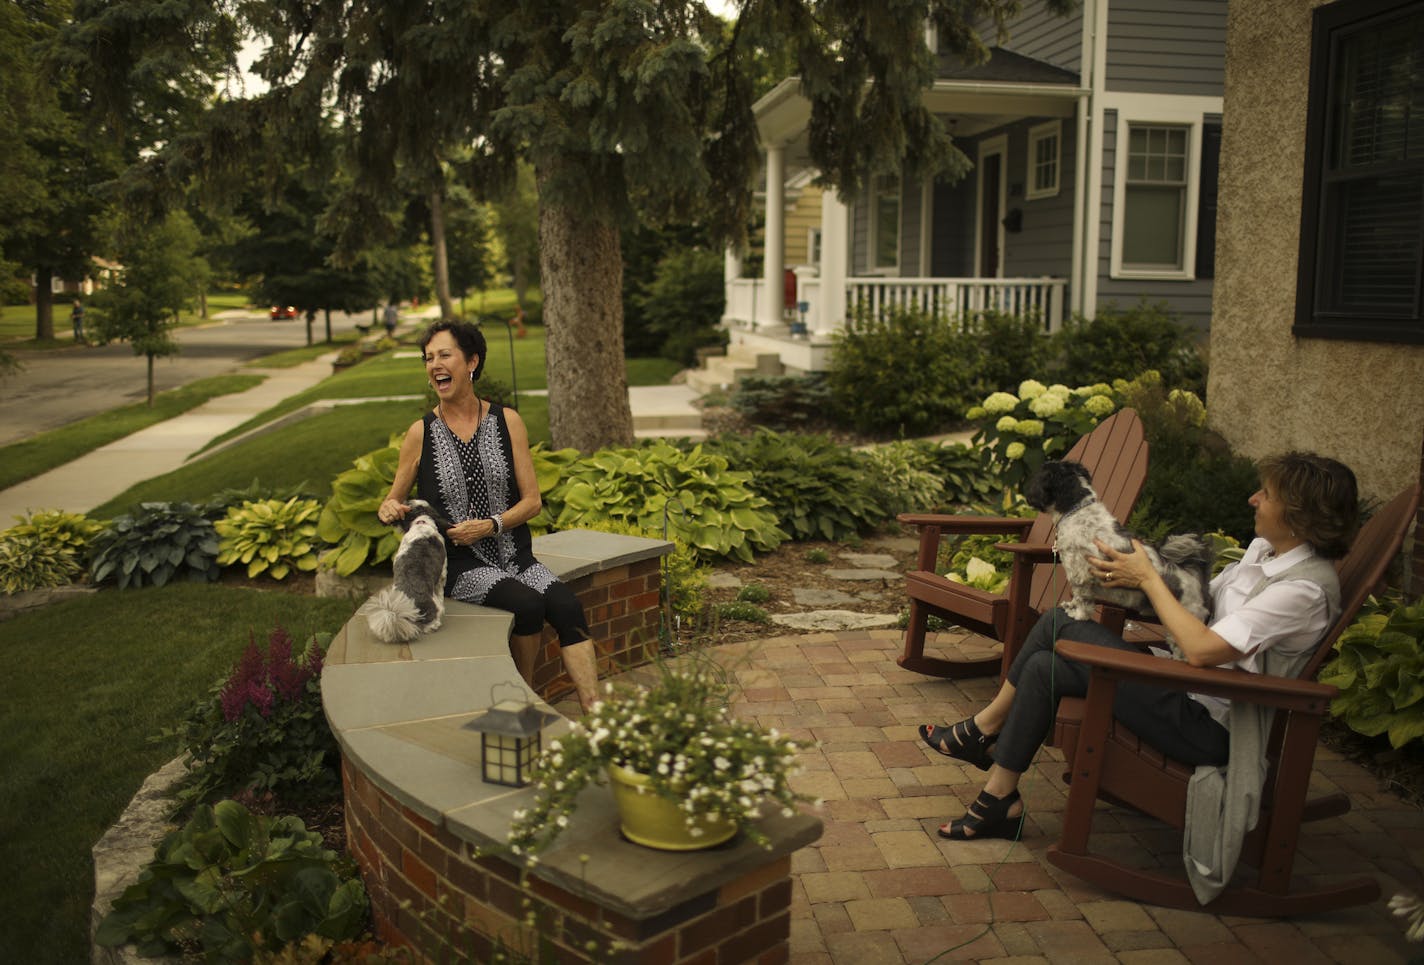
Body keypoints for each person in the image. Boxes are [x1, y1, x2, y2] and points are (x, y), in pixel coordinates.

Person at [919, 451, 1359, 849]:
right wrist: (1137, 571)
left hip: (1210, 726)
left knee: (1058, 623)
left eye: (1267, 493)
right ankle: (999, 798)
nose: (1253, 498)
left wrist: (1147, 576)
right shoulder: (1263, 556)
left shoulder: (1302, 590)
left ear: (1300, 515)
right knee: (1043, 665)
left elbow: (1203, 648)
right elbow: (1195, 605)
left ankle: (981, 731)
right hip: (1184, 688)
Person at [377, 319, 601, 711]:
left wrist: (492, 525)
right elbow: (391, 502)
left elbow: (532, 501)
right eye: (428, 358)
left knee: (567, 606)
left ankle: (597, 713)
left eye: (444, 355)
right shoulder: (421, 433)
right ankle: (524, 699)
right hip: (461, 564)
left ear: (472, 362)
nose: (434, 365)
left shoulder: (506, 421)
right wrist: (390, 508)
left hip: (515, 554)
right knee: (528, 605)